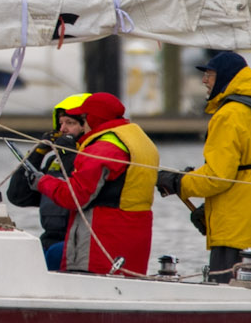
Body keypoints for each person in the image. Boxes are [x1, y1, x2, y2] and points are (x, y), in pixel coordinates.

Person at [154, 51, 251, 286]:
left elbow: (217, 177)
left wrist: (178, 182)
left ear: (227, 78)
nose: (204, 81)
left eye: (209, 75)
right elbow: (249, 168)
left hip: (238, 232)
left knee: (227, 303)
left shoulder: (228, 115)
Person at [35, 92, 159, 276]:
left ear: (92, 118)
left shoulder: (103, 148)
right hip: (133, 241)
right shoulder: (138, 139)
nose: (83, 125)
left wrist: (42, 181)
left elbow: (74, 198)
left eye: (83, 119)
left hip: (100, 245)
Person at [5, 93, 87, 271]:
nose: (63, 129)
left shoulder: (93, 159)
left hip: (78, 243)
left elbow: (80, 186)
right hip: (49, 239)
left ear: (86, 126)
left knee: (54, 255)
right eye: (61, 123)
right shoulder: (53, 162)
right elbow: (18, 197)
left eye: (70, 123)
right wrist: (38, 153)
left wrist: (68, 151)